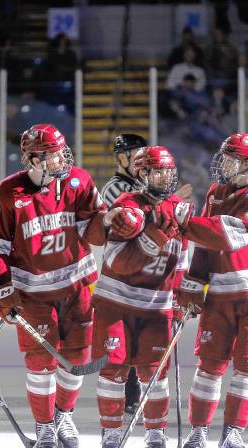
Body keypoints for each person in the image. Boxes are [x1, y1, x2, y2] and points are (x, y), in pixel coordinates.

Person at [0, 124, 108, 448]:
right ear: (32, 158)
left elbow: (95, 227)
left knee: (78, 358)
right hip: (33, 294)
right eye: (51, 154)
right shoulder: (8, 192)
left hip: (76, 287)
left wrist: (112, 223)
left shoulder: (79, 181)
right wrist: (0, 290)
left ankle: (63, 415)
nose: (60, 158)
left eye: (60, 151)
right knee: (41, 362)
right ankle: (44, 424)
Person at [175, 132, 248, 448]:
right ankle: (198, 430)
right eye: (224, 156)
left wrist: (180, 222)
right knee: (209, 365)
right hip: (222, 294)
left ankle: (234, 431)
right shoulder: (216, 193)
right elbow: (206, 246)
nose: (223, 164)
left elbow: (226, 234)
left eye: (233, 159)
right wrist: (193, 284)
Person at [92, 145, 191, 448]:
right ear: (142, 174)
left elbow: (182, 259)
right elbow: (116, 260)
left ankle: (155, 431)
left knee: (154, 373)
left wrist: (181, 297)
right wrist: (151, 240)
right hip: (115, 301)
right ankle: (111, 428)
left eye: (167, 170)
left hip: (156, 307)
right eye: (156, 170)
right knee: (113, 368)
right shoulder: (127, 205)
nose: (164, 176)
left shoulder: (179, 208)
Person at [99, 134, 148, 416]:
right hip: (122, 275)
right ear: (121, 158)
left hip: (146, 274)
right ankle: (128, 396)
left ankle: (138, 394)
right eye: (135, 154)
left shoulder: (142, 186)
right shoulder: (114, 189)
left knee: (145, 337)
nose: (141, 160)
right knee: (125, 340)